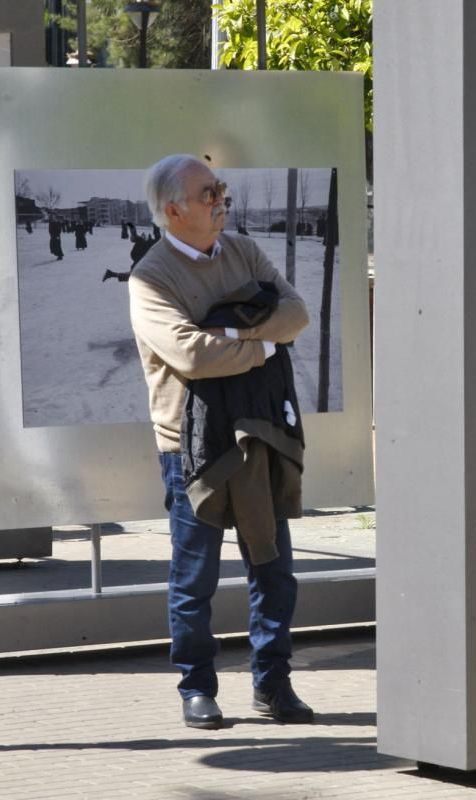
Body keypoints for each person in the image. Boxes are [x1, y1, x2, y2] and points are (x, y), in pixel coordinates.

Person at [128, 154, 313, 729]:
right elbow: (189, 355)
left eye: (221, 189)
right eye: (209, 193)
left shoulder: (244, 252)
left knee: (274, 569)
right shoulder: (151, 277)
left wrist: (230, 331)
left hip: (259, 431)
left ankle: (273, 684)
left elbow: (297, 314)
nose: (221, 199)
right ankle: (196, 687)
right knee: (195, 576)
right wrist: (261, 347)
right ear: (174, 210)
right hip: (190, 446)